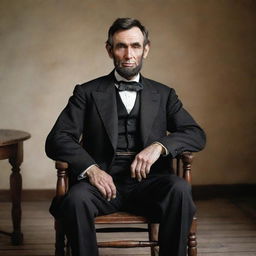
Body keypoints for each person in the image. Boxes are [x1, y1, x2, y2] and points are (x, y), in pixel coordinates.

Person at [45, 17, 206, 256]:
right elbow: (57, 138)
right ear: (109, 50)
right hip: (101, 185)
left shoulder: (164, 94)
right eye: (121, 46)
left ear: (146, 49)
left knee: (179, 189)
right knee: (75, 200)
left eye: (136, 46)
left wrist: (159, 146)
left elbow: (195, 133)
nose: (129, 54)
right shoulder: (87, 92)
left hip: (150, 184)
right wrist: (91, 169)